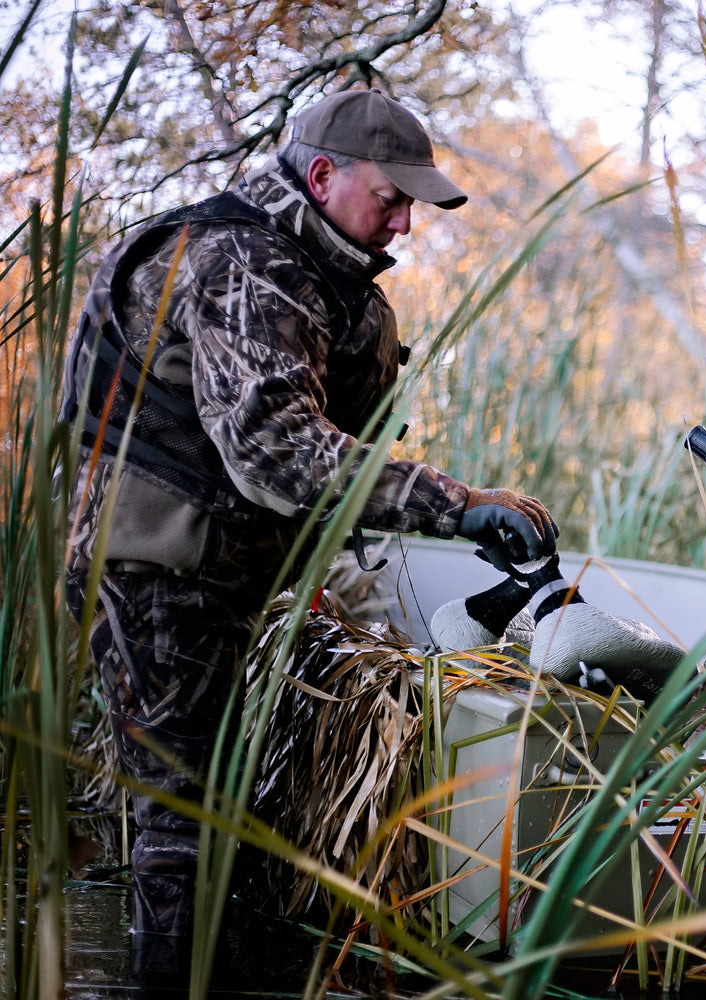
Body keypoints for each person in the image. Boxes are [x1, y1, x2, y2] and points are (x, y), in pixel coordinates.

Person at [62, 88, 558, 968]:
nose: (405, 224)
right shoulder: (244, 264)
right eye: (392, 198)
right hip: (157, 571)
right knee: (182, 823)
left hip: (220, 574)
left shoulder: (320, 274)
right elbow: (277, 450)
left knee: (221, 815)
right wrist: (455, 505)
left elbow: (318, 459)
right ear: (323, 176)